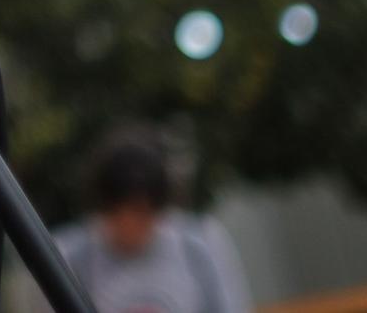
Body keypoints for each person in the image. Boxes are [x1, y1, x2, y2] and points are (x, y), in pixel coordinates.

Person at [43, 129, 252, 313]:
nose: (131, 225)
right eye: (119, 214)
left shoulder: (199, 245)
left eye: (141, 213)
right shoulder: (72, 258)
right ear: (103, 210)